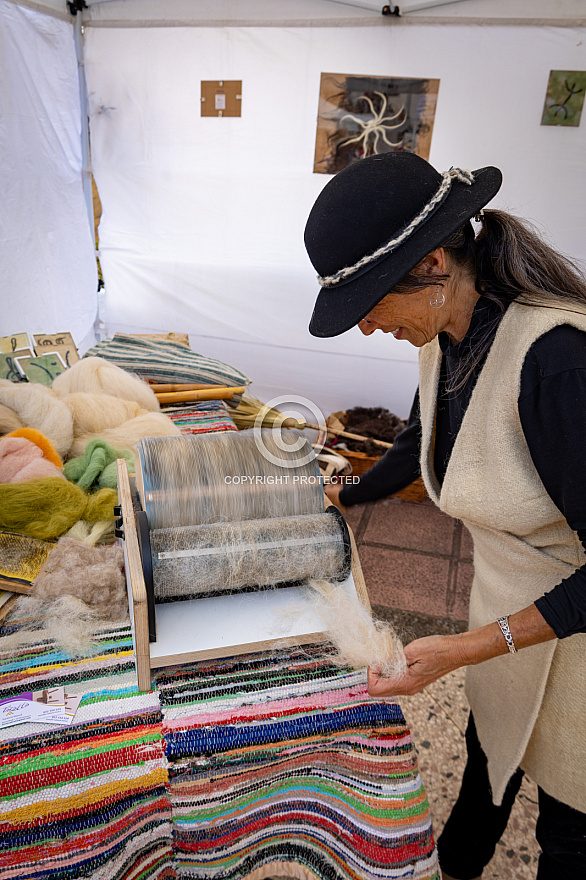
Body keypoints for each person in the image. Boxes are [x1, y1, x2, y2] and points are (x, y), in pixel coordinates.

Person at [304, 151, 586, 880]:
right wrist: (352, 495)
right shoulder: (449, 330)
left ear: (432, 262)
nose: (368, 329)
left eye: (371, 305)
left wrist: (467, 647)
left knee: (569, 831)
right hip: (506, 613)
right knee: (488, 760)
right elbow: (422, 438)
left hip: (577, 640)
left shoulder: (556, 363)